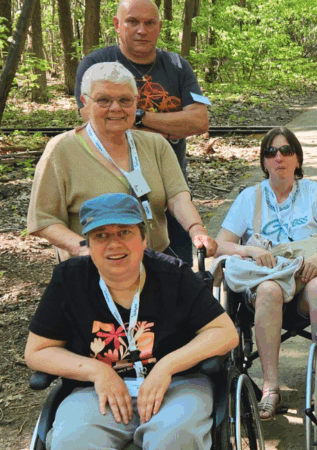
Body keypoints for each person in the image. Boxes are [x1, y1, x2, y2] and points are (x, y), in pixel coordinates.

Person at [25, 193, 239, 449]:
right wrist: (97, 371)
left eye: (124, 232)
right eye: (101, 235)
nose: (114, 244)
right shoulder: (69, 280)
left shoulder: (173, 275)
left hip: (177, 385)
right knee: (72, 440)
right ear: (88, 244)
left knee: (174, 438)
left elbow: (224, 333)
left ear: (143, 239)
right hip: (95, 392)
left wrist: (167, 366)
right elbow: (38, 351)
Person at [28, 62, 216, 262]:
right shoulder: (61, 150)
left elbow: (177, 196)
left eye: (125, 100)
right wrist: (86, 249)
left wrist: (196, 229)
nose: (116, 108)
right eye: (104, 100)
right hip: (94, 266)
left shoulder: (155, 144)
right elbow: (44, 220)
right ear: (85, 102)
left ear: (136, 102)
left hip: (153, 263)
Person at [215, 127, 317, 420]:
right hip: (265, 282)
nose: (278, 157)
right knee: (269, 289)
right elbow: (219, 243)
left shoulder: (312, 192)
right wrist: (250, 250)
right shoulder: (250, 197)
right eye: (271, 152)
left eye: (286, 151)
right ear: (264, 161)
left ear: (298, 159)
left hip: (304, 277)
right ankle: (271, 387)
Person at [74, 0, 211, 264]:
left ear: (159, 27)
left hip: (169, 190)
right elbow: (93, 117)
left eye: (149, 23)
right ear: (117, 24)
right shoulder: (96, 63)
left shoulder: (177, 65)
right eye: (133, 22)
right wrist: (169, 127)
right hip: (112, 193)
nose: (141, 30)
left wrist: (140, 117)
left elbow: (200, 121)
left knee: (175, 270)